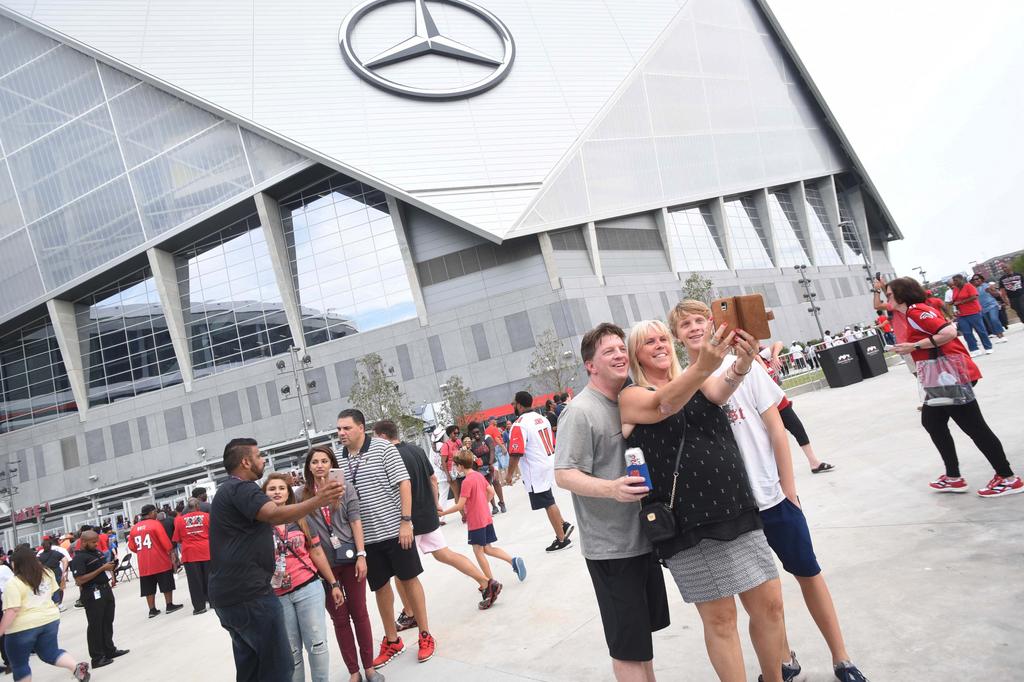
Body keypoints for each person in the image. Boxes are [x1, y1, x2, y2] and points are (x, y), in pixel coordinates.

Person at [697, 307, 870, 682]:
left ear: (712, 326)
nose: (695, 329)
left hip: (772, 497)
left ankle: (842, 658)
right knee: (766, 599)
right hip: (735, 510)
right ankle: (784, 658)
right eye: (686, 325)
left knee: (808, 573)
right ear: (679, 335)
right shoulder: (686, 382)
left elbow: (776, 429)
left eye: (700, 321)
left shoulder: (746, 366)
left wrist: (788, 489)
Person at [622, 315, 787, 682]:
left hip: (737, 506)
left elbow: (719, 389)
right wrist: (704, 365)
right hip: (689, 523)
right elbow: (665, 404)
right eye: (649, 342)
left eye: (663, 338)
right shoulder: (632, 396)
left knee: (772, 606)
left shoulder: (699, 380)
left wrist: (742, 363)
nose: (661, 345)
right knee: (721, 619)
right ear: (636, 354)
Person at [554, 322, 670, 682]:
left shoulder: (630, 397)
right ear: (591, 365)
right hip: (611, 549)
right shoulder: (580, 411)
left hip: (643, 538)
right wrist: (612, 488)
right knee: (626, 648)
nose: (620, 355)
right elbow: (564, 473)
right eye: (609, 351)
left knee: (642, 640)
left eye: (622, 348)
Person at [209, 437, 344, 682]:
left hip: (229, 597)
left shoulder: (226, 491)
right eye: (259, 456)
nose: (263, 460)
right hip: (251, 596)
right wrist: (318, 500)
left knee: (252, 669)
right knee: (280, 668)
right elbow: (273, 514)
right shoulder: (242, 487)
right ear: (246, 461)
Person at [885, 278, 1022, 498]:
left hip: (949, 376)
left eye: (889, 294)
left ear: (902, 294)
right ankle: (953, 476)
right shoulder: (916, 311)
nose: (887, 298)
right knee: (932, 421)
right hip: (942, 377)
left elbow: (948, 332)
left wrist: (914, 346)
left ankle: (1008, 478)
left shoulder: (915, 312)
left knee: (974, 427)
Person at [372, 420, 499, 622]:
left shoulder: (388, 457)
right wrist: (435, 504)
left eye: (375, 437)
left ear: (383, 437)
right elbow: (432, 479)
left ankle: (410, 613)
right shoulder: (416, 450)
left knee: (400, 571)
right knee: (445, 554)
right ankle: (486, 583)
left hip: (407, 521)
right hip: (427, 514)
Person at [335, 409, 435, 667]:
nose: (341, 433)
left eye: (346, 428)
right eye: (338, 429)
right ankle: (392, 641)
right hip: (366, 539)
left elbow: (404, 483)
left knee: (409, 580)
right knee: (380, 588)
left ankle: (425, 634)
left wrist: (406, 521)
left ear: (361, 427)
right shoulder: (338, 458)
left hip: (395, 530)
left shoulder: (383, 449)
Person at [300, 444, 380, 682]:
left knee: (360, 613)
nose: (320, 466)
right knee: (340, 619)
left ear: (332, 464)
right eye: (315, 462)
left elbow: (356, 522)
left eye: (324, 461)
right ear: (309, 467)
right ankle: (353, 672)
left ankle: (369, 667)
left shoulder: (345, 489)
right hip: (323, 567)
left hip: (351, 561)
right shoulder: (301, 495)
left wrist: (362, 555)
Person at [263, 473, 345, 682]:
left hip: (308, 588)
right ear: (264, 494)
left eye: (281, 488)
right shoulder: (259, 526)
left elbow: (316, 551)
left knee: (317, 644)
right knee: (291, 652)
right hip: (277, 596)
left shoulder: (301, 517)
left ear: (288, 493)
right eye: (272, 489)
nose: (277, 492)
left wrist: (333, 583)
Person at [440, 449, 525, 595]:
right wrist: (482, 504)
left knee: (478, 551)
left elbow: (460, 505)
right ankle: (513, 560)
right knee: (488, 548)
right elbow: (491, 492)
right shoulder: (479, 475)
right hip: (485, 517)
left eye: (455, 465)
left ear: (460, 466)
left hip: (476, 521)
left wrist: (443, 513)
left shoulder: (467, 482)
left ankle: (489, 582)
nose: (455, 468)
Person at [0, 546, 91, 681]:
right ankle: (76, 667)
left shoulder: (14, 583)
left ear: (17, 563)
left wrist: (1, 630)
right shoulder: (47, 573)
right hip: (49, 620)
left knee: (19, 663)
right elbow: (56, 594)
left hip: (22, 627)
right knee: (50, 652)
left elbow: (12, 610)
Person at [506, 391, 575, 552]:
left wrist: (509, 475)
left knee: (547, 501)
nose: (512, 406)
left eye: (513, 403)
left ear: (520, 405)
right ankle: (563, 524)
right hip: (548, 461)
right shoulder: (542, 418)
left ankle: (562, 539)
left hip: (535, 467)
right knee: (547, 498)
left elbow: (516, 452)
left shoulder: (519, 424)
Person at [69, 530, 129, 670]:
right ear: (83, 542)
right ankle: (97, 657)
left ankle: (109, 650)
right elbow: (79, 580)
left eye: (97, 541)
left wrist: (111, 567)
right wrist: (102, 568)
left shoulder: (96, 552)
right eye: (93, 542)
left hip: (105, 588)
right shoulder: (79, 558)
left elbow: (103, 568)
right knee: (95, 625)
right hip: (92, 592)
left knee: (107, 620)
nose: (96, 544)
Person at [128, 505, 183, 618]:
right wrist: (171, 552)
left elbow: (132, 547)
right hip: (160, 560)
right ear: (152, 512)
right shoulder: (155, 524)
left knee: (148, 587)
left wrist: (142, 552)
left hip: (144, 563)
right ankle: (169, 605)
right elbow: (165, 542)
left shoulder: (134, 528)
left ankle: (152, 610)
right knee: (166, 583)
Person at [173, 498, 212, 615]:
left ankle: (199, 607)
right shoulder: (206, 516)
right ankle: (214, 601)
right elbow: (214, 532)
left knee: (195, 581)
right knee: (210, 578)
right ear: (198, 507)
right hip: (206, 551)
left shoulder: (179, 520)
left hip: (190, 553)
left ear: (187, 508)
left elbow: (177, 539)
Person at [949, 274, 992, 356]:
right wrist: (953, 304)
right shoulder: (955, 289)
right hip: (961, 314)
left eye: (956, 280)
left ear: (961, 280)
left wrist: (961, 302)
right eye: (953, 280)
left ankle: (988, 347)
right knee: (966, 333)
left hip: (973, 312)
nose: (954, 282)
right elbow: (955, 300)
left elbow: (974, 297)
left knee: (980, 330)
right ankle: (974, 349)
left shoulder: (969, 286)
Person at [467, 421, 502, 516]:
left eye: (477, 432)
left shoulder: (487, 438)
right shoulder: (472, 444)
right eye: (474, 433)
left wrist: (490, 463)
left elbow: (492, 450)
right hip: (481, 468)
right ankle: (494, 506)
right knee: (487, 486)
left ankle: (502, 502)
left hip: (492, 463)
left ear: (481, 431)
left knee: (495, 481)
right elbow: (473, 458)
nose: (476, 434)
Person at [970, 274, 1007, 342]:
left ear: (981, 279)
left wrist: (990, 291)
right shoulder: (973, 289)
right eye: (974, 279)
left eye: (977, 279)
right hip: (982, 308)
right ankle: (999, 337)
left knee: (994, 319)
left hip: (992, 305)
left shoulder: (987, 285)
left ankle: (1002, 336)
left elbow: (997, 294)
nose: (976, 280)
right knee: (990, 323)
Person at [483, 418, 509, 513]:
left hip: (491, 453)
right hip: (495, 450)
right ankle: (497, 504)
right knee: (493, 481)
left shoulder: (486, 430)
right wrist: (502, 447)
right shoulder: (493, 428)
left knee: (493, 480)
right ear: (491, 421)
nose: (496, 422)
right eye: (495, 420)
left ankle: (498, 504)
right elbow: (497, 439)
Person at [36, 538, 69, 609]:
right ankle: (59, 603)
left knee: (49, 589)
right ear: (51, 545)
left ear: (43, 547)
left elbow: (37, 565)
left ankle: (53, 604)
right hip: (57, 572)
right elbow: (65, 560)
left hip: (46, 574)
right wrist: (64, 571)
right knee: (59, 588)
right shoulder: (56, 553)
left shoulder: (40, 556)